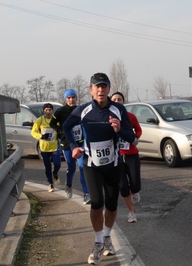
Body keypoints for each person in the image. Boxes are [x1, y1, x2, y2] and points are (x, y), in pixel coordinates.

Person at [62, 73, 136, 265]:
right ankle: (97, 243)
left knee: (111, 205)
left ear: (109, 89)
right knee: (97, 203)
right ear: (91, 90)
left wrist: (120, 129)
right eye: (97, 87)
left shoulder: (118, 109)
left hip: (113, 165)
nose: (101, 90)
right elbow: (66, 126)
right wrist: (73, 147)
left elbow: (130, 137)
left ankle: (107, 238)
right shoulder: (83, 110)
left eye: (104, 87)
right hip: (91, 165)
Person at [50, 89, 91, 203]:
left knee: (83, 167)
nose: (71, 100)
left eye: (73, 97)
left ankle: (86, 194)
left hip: (80, 142)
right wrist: (61, 130)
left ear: (76, 98)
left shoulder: (81, 110)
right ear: (65, 99)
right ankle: (68, 185)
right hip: (67, 143)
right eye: (69, 98)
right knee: (72, 168)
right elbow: (52, 123)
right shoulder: (60, 111)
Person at [111, 91, 142, 223]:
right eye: (114, 100)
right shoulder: (108, 118)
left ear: (123, 102)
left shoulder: (130, 116)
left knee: (135, 184)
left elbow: (139, 130)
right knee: (123, 186)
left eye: (119, 99)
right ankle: (131, 212)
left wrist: (134, 138)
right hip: (116, 156)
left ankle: (134, 191)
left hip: (131, 154)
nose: (117, 102)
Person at [31, 103, 61, 192]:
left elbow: (60, 129)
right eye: (46, 110)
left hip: (54, 147)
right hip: (44, 148)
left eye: (50, 110)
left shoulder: (55, 120)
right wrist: (40, 136)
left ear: (52, 111)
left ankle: (55, 173)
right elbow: (33, 132)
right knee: (47, 166)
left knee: (57, 164)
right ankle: (50, 184)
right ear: (44, 111)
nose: (48, 112)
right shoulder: (40, 120)